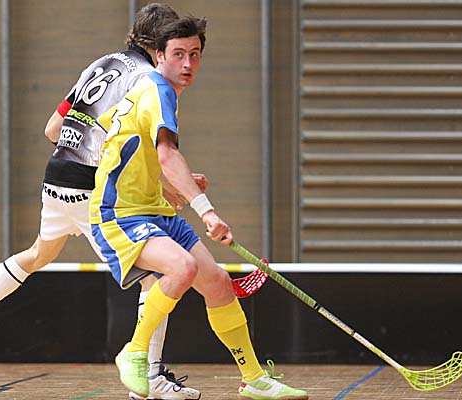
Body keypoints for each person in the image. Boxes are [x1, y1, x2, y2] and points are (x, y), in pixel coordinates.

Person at [0, 4, 202, 399]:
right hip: (92, 187)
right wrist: (167, 186)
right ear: (159, 44)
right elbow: (121, 148)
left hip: (57, 177)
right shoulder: (147, 79)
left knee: (38, 254)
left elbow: (53, 128)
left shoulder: (101, 63)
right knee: (157, 274)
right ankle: (150, 378)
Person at [90, 16, 309, 400]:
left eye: (194, 54)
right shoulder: (158, 90)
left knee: (218, 283)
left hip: (155, 209)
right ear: (159, 56)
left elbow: (122, 144)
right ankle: (134, 352)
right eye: (178, 54)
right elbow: (166, 153)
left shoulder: (147, 88)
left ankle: (254, 378)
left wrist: (171, 185)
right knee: (182, 267)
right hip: (119, 213)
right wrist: (205, 209)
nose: (187, 63)